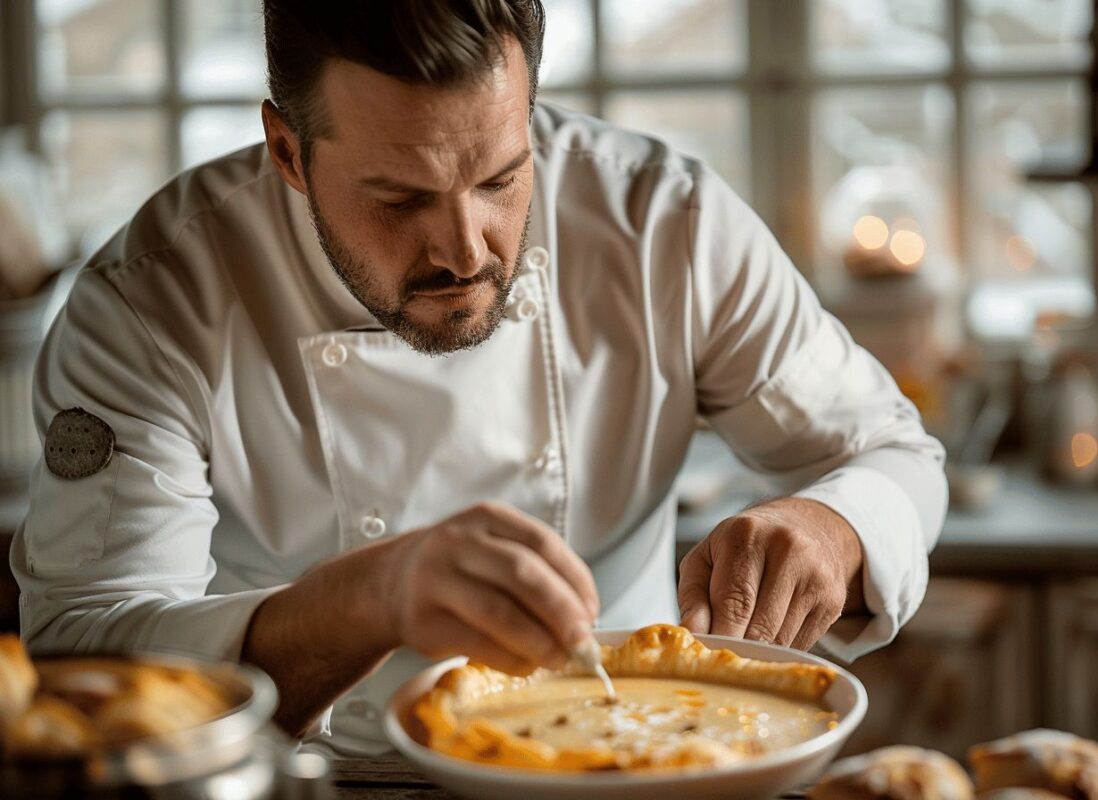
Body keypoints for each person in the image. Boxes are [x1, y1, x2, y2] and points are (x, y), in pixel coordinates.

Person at [11, 0, 946, 754]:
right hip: (308, 777)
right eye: (400, 198)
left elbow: (894, 453)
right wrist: (369, 597)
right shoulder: (151, 299)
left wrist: (837, 524)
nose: (466, 252)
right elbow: (86, 648)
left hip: (643, 755)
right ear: (288, 152)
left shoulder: (667, 225)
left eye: (501, 178)